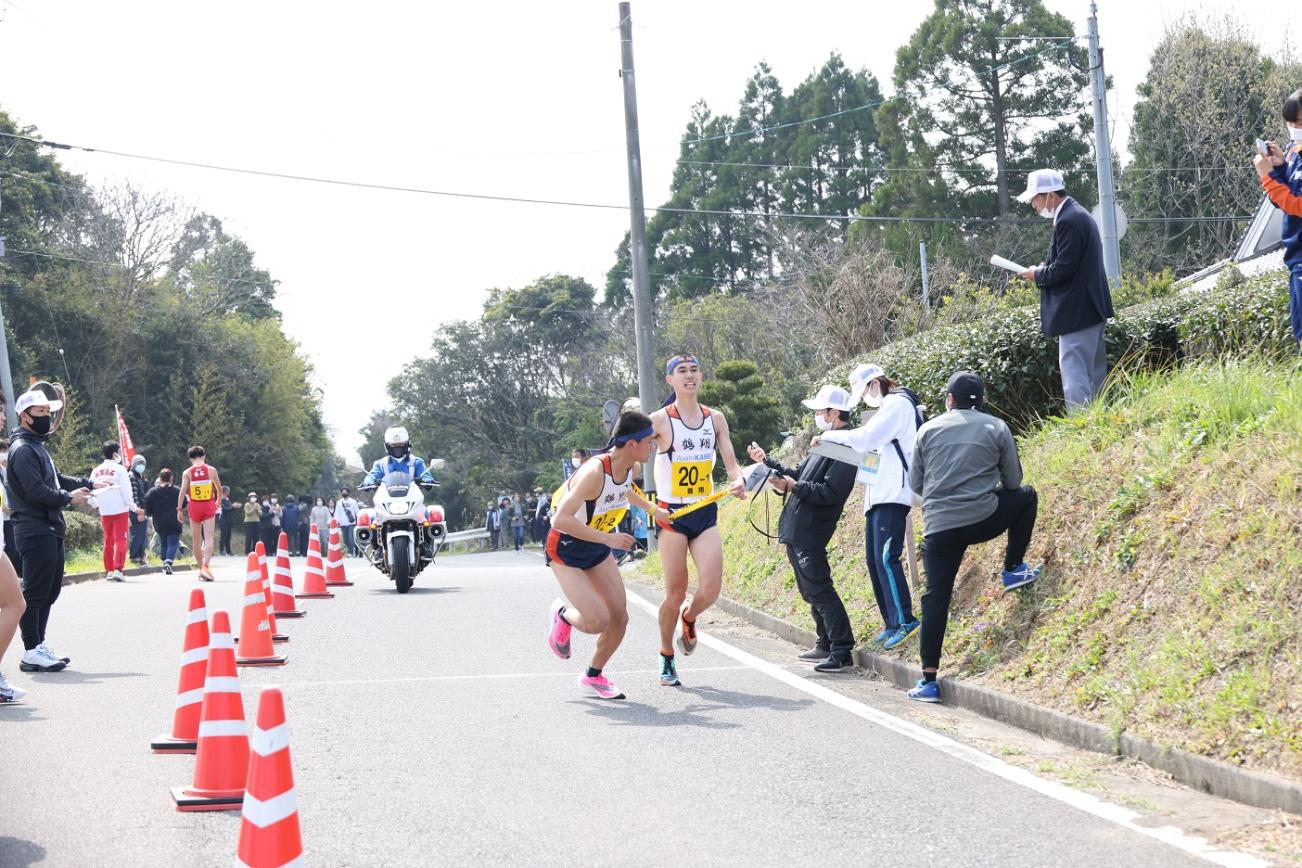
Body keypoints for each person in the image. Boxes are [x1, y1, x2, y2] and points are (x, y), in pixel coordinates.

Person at [905, 372, 1042, 704]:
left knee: (934, 598)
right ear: (981, 400)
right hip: (983, 518)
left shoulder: (927, 429)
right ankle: (1013, 568)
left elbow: (916, 485)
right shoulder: (996, 427)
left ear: (949, 399)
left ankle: (929, 680)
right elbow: (1013, 482)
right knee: (1027, 495)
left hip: (939, 528)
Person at [545, 411, 667, 700]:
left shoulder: (632, 468)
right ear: (632, 444)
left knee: (619, 618)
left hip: (596, 545)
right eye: (650, 442)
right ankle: (562, 615)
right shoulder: (594, 473)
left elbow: (626, 489)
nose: (654, 446)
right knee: (598, 620)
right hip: (565, 548)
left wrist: (655, 511)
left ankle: (593, 675)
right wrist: (608, 538)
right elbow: (561, 519)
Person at [650, 353, 747, 688]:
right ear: (670, 381)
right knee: (674, 592)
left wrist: (737, 479)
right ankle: (666, 656)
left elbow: (731, 462)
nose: (689, 376)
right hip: (673, 514)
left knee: (711, 588)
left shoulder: (714, 418)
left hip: (704, 510)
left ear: (701, 377)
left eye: (694, 371)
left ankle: (689, 619)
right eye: (682, 371)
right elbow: (632, 454)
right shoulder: (660, 420)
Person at [748, 385, 860, 673]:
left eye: (820, 411)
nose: (817, 416)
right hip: (798, 527)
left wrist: (792, 486)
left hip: (812, 529)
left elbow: (830, 493)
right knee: (808, 590)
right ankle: (825, 642)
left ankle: (842, 650)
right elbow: (800, 473)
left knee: (820, 588)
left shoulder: (846, 447)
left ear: (834, 413)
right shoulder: (826, 442)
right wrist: (768, 464)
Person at [814, 363, 922, 652]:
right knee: (875, 561)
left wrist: (827, 437)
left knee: (886, 558)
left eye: (863, 393)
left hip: (893, 493)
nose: (863, 400)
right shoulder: (888, 406)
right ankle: (891, 623)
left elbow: (864, 439)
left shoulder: (897, 404)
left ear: (875, 384)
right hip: (878, 494)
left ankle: (905, 621)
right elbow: (868, 450)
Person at [8, 389, 101, 673]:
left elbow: (57, 479)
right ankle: (31, 649)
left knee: (49, 591)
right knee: (35, 592)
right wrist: (68, 498)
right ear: (25, 417)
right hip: (34, 528)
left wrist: (88, 483)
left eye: (49, 413)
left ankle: (39, 645)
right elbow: (36, 490)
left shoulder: (37, 446)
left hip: (49, 526)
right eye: (41, 413)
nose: (47, 418)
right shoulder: (23, 450)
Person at [1016, 169, 1115, 411]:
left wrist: (1037, 274)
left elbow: (1065, 268)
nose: (1034, 205)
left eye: (1035, 199)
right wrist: (1043, 269)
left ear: (1050, 195)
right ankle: (1099, 422)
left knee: (1075, 375)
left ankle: (1082, 427)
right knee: (1093, 374)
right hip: (1090, 308)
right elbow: (1069, 263)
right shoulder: (1077, 214)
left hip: (1076, 313)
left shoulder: (1068, 220)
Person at [1252, 88, 1302, 343]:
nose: (1294, 128)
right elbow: (1285, 198)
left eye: (1300, 123)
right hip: (1295, 258)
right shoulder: (1295, 154)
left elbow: (1296, 204)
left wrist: (1267, 177)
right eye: (1290, 122)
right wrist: (1280, 167)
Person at [91, 441, 144, 582]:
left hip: (104, 510)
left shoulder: (96, 470)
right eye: (120, 452)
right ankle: (118, 569)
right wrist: (135, 508)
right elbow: (127, 493)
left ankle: (108, 570)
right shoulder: (120, 470)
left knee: (108, 541)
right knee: (121, 539)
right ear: (115, 454)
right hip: (120, 510)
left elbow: (89, 491)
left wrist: (96, 504)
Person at [177, 446, 223, 581]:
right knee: (208, 538)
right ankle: (206, 567)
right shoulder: (211, 470)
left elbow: (182, 491)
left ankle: (200, 568)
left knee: (196, 540)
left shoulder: (187, 472)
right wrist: (218, 501)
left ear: (190, 459)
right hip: (208, 504)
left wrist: (179, 509)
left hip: (194, 505)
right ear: (203, 456)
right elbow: (219, 489)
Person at [144, 469, 184, 574]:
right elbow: (184, 503)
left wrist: (150, 513)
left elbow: (147, 506)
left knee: (164, 542)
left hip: (159, 522)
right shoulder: (177, 490)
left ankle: (164, 563)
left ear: (160, 478)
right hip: (174, 520)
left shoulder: (152, 492)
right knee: (173, 543)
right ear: (171, 478)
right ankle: (168, 562)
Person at [0, 438, 22, 579]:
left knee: (13, 548)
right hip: (4, 513)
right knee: (8, 549)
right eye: (3, 451)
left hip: (10, 515)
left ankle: (14, 575)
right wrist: (3, 506)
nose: (5, 454)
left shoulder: (4, 470)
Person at [127, 453, 150, 566]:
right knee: (137, 533)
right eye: (139, 463)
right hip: (136, 510)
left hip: (141, 509)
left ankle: (141, 556)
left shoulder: (140, 476)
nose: (141, 466)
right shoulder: (131, 476)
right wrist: (138, 511)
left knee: (141, 533)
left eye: (143, 463)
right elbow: (134, 495)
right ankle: (134, 556)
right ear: (134, 464)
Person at [335, 487, 359, 555]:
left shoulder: (353, 502)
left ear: (348, 493)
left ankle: (351, 552)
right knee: (345, 539)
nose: (344, 493)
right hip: (343, 523)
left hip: (351, 523)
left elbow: (357, 511)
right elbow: (337, 513)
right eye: (343, 492)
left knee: (351, 538)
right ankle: (350, 549)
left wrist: (359, 520)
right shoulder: (339, 503)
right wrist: (336, 521)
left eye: (345, 492)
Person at [217, 485, 236, 556]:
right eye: (228, 491)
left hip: (229, 520)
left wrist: (234, 507)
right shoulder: (220, 499)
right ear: (225, 492)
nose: (229, 492)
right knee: (223, 535)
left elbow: (230, 509)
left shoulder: (228, 499)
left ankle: (228, 550)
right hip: (223, 520)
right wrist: (232, 507)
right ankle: (221, 550)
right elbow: (224, 510)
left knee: (228, 536)